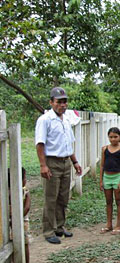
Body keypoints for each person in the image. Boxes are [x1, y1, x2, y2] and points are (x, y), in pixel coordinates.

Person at [35, 87, 82, 244]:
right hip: (52, 162)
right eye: (59, 102)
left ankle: (60, 227)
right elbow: (40, 144)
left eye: (64, 102)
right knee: (51, 197)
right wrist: (43, 165)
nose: (62, 105)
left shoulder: (66, 120)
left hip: (65, 162)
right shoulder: (45, 120)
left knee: (63, 197)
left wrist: (75, 162)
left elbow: (68, 144)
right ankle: (48, 231)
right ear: (51, 102)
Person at [99, 128, 120, 235]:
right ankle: (108, 224)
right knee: (108, 202)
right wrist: (101, 180)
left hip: (117, 177)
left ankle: (118, 225)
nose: (113, 139)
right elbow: (102, 165)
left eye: (115, 137)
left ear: (119, 137)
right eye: (111, 137)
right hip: (107, 177)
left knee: (119, 201)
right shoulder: (104, 149)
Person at [8, 168, 35, 263]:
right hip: (23, 222)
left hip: (9, 222)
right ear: (22, 179)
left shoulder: (6, 193)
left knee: (10, 243)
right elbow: (27, 207)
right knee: (25, 244)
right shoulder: (25, 191)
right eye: (25, 177)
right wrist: (18, 218)